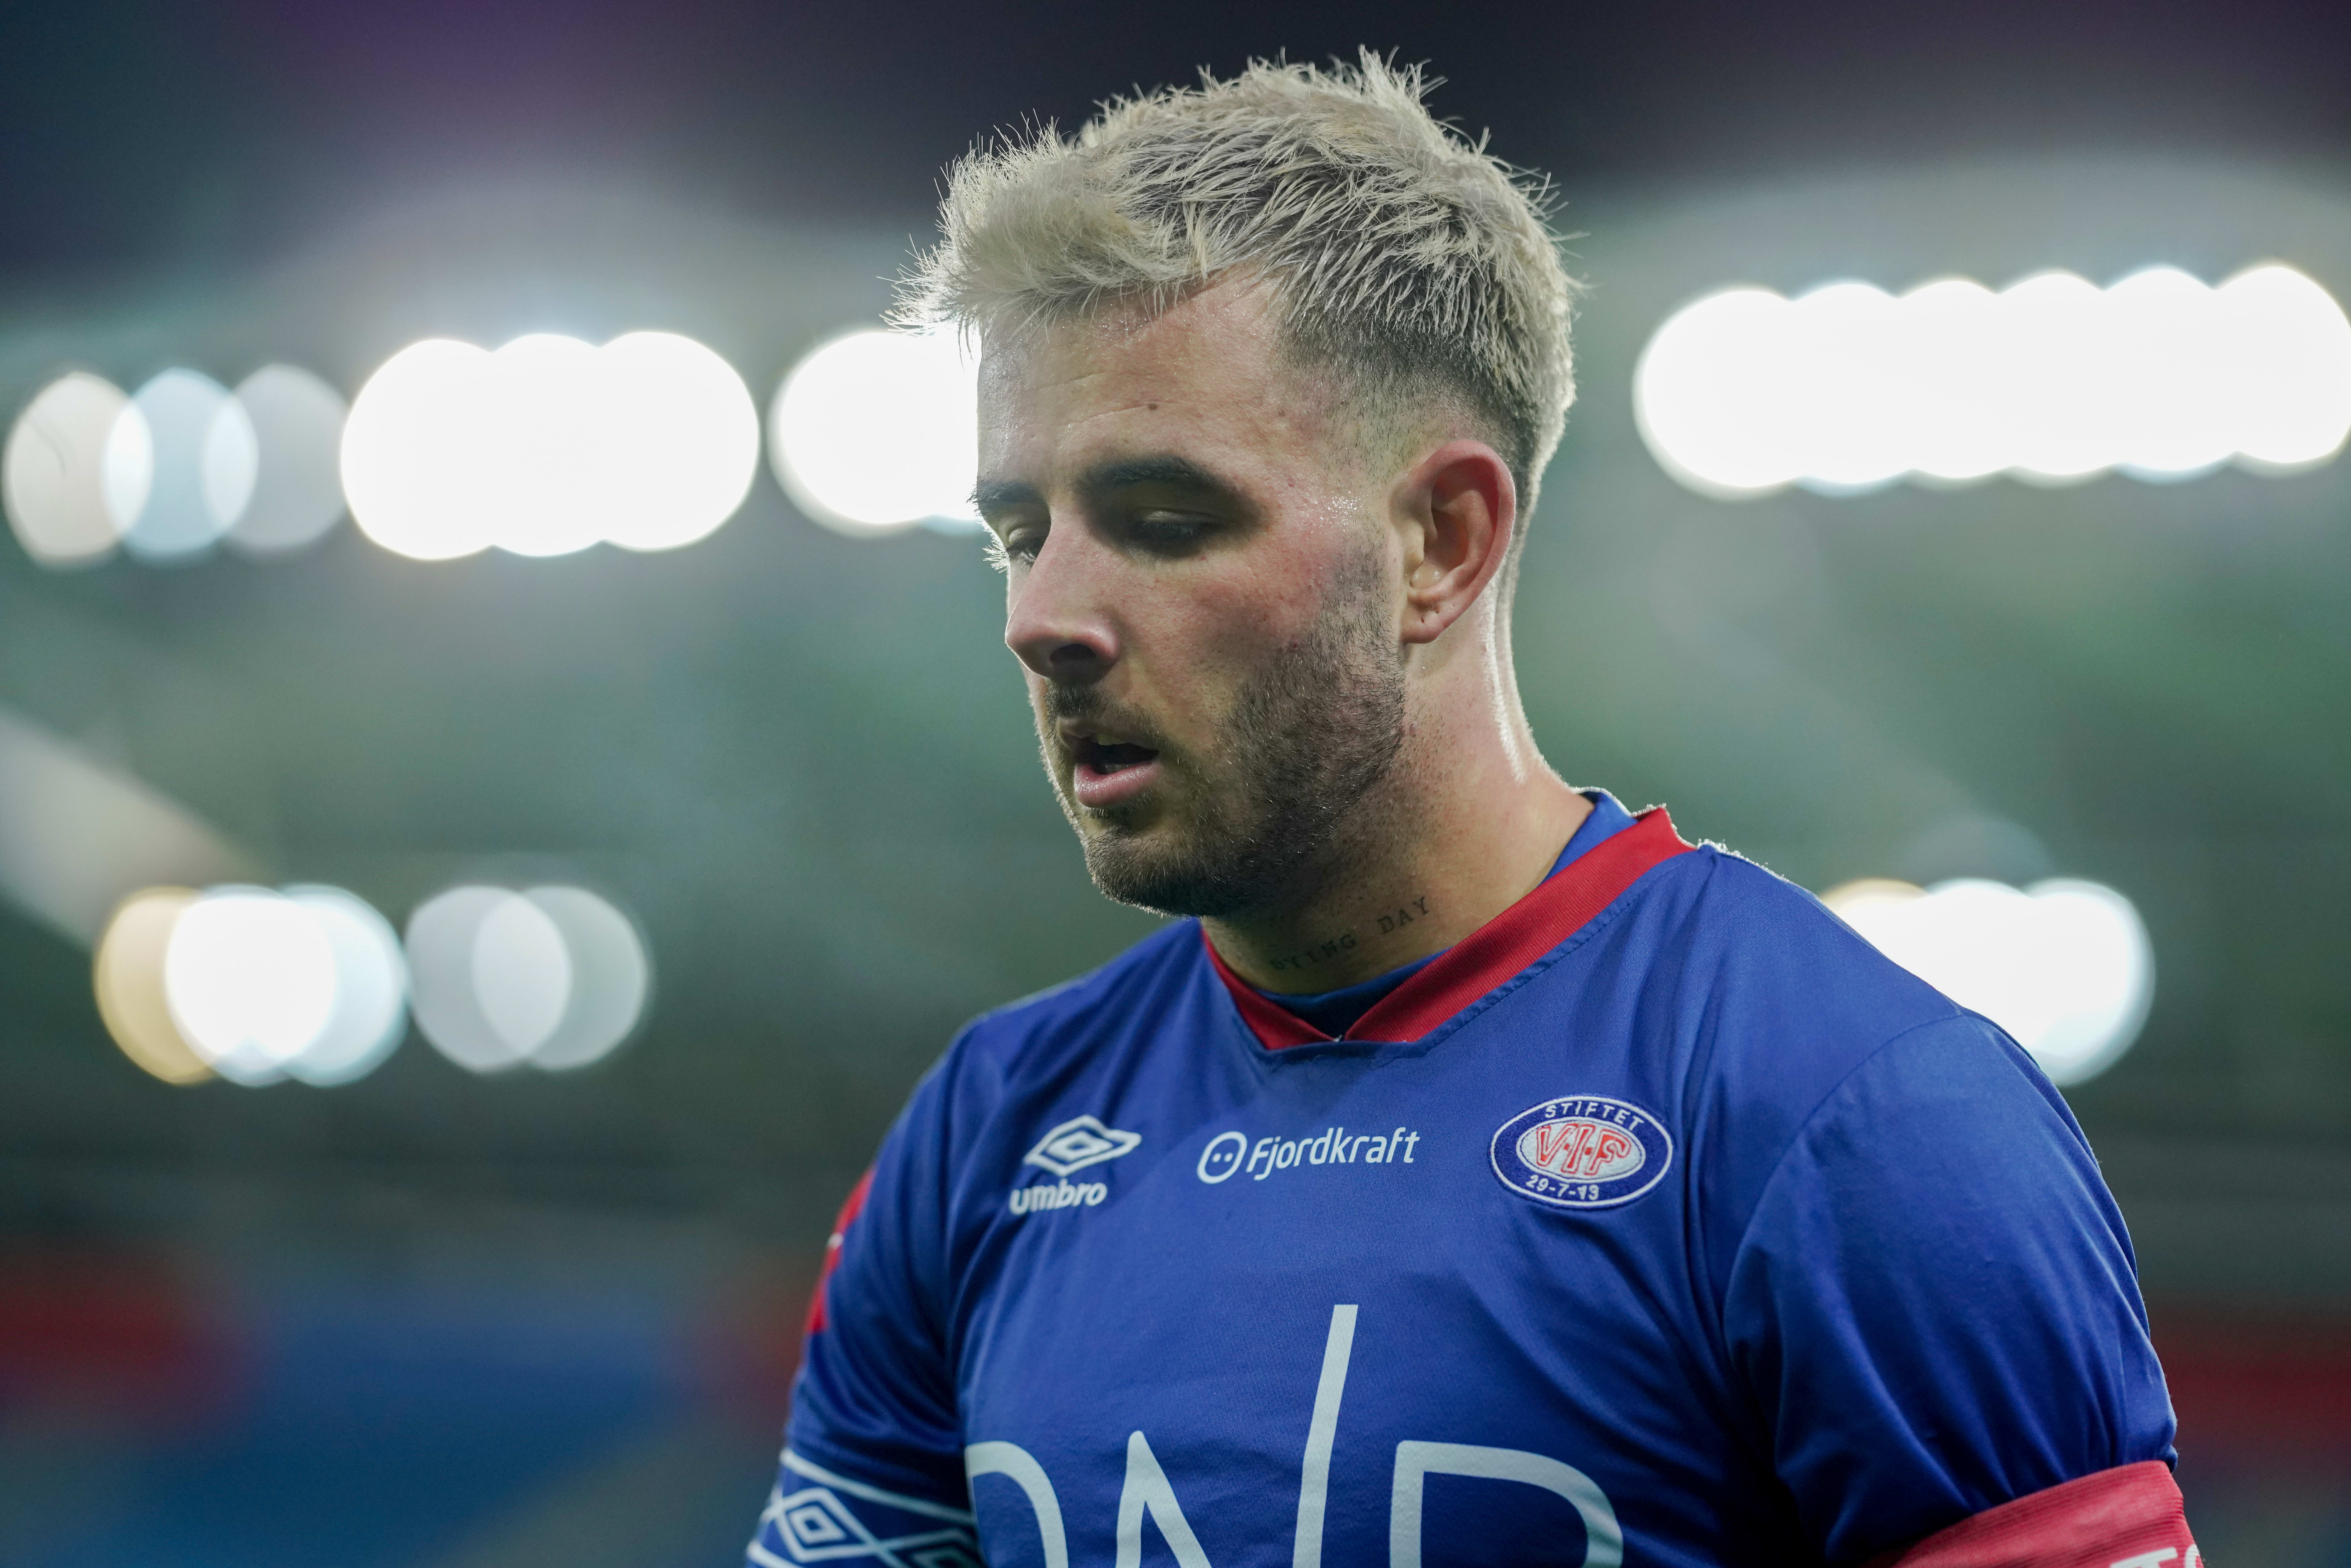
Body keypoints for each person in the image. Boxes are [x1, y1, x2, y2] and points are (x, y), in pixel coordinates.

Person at [748, 55, 2196, 1568]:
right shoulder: (985, 1130)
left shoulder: (1852, 1110)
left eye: (1163, 521)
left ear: (1440, 540)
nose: (1040, 617)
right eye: (1018, 533)